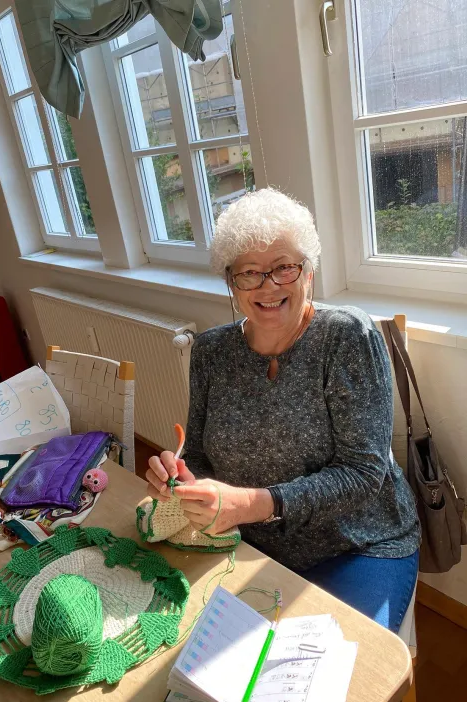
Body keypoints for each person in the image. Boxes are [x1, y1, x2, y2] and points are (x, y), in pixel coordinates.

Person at [146, 188, 420, 633]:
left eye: (284, 268)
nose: (268, 286)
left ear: (308, 273)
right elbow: (197, 454)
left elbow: (364, 473)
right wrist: (181, 478)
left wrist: (253, 504)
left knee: (334, 683)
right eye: (249, 273)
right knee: (182, 646)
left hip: (356, 542)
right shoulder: (212, 351)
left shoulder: (347, 337)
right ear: (231, 283)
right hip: (251, 540)